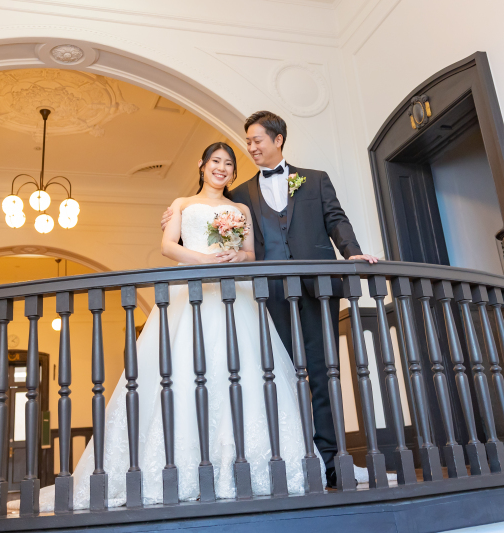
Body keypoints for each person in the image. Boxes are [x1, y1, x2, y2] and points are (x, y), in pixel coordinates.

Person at [19, 141, 350, 511]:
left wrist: (237, 255)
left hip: (234, 297)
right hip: (192, 294)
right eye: (215, 162)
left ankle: (243, 465)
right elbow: (166, 246)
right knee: (184, 372)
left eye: (228, 164)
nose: (221, 168)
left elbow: (252, 254)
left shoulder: (241, 207)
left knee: (240, 371)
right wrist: (202, 260)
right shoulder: (181, 204)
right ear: (202, 165)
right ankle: (183, 468)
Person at [161, 112, 378, 488]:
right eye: (247, 141)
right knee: (276, 378)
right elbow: (209, 224)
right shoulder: (240, 194)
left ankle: (333, 462)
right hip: (267, 297)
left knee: (324, 375)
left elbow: (335, 219)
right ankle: (296, 459)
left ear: (278, 139)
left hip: (316, 289)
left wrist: (352, 252)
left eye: (256, 140)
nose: (251, 148)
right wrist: (172, 216)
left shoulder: (314, 180)